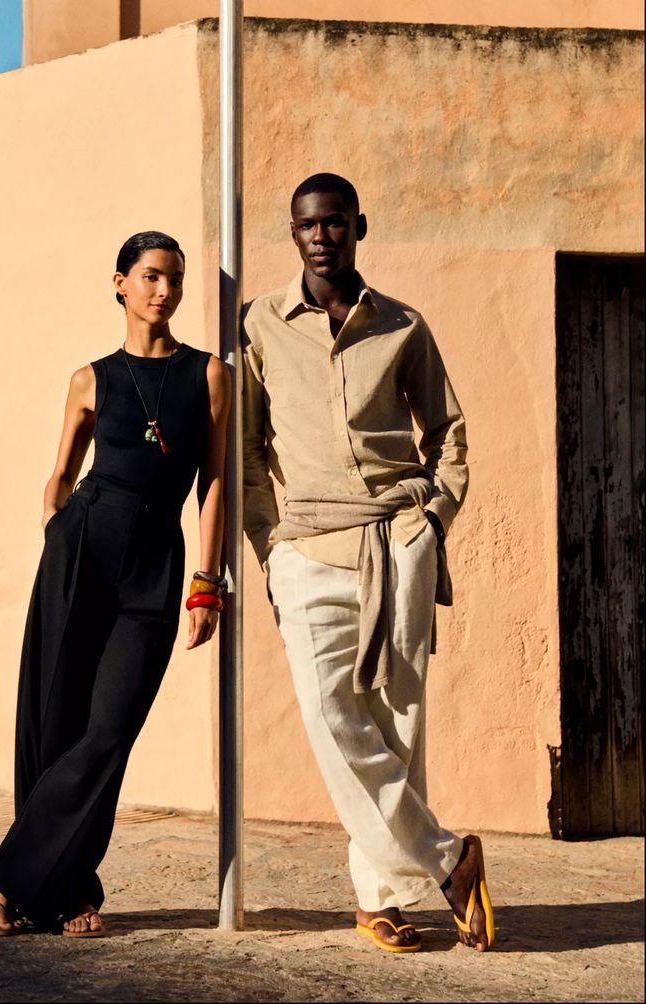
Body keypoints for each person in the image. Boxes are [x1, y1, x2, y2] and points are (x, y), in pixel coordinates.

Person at [243, 174, 494, 953]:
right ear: (294, 234)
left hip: (397, 541)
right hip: (308, 547)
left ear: (359, 225)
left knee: (398, 723)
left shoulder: (403, 325)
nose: (322, 235)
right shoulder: (262, 325)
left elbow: (447, 432)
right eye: (308, 225)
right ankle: (449, 860)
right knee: (331, 717)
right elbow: (249, 449)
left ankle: (378, 898)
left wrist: (433, 518)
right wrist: (267, 545)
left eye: (335, 223)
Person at [0, 231, 230, 937]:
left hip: (155, 566)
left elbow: (214, 483)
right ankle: (66, 893)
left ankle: (9, 873)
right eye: (149, 276)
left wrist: (208, 581)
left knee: (110, 728)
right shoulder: (92, 378)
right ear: (119, 282)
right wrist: (56, 527)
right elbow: (61, 467)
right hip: (82, 547)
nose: (163, 290)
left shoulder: (208, 375)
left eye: (173, 278)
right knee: (55, 723)